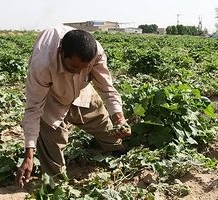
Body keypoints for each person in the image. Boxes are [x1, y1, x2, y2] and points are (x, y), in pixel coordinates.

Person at [15, 26, 131, 188]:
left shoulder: (96, 53)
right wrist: (29, 155)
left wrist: (120, 119)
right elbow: (33, 109)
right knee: (53, 165)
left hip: (80, 90)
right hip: (50, 97)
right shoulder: (42, 64)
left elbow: (107, 88)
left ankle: (117, 151)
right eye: (73, 68)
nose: (77, 73)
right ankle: (55, 185)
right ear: (61, 52)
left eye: (83, 69)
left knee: (104, 124)